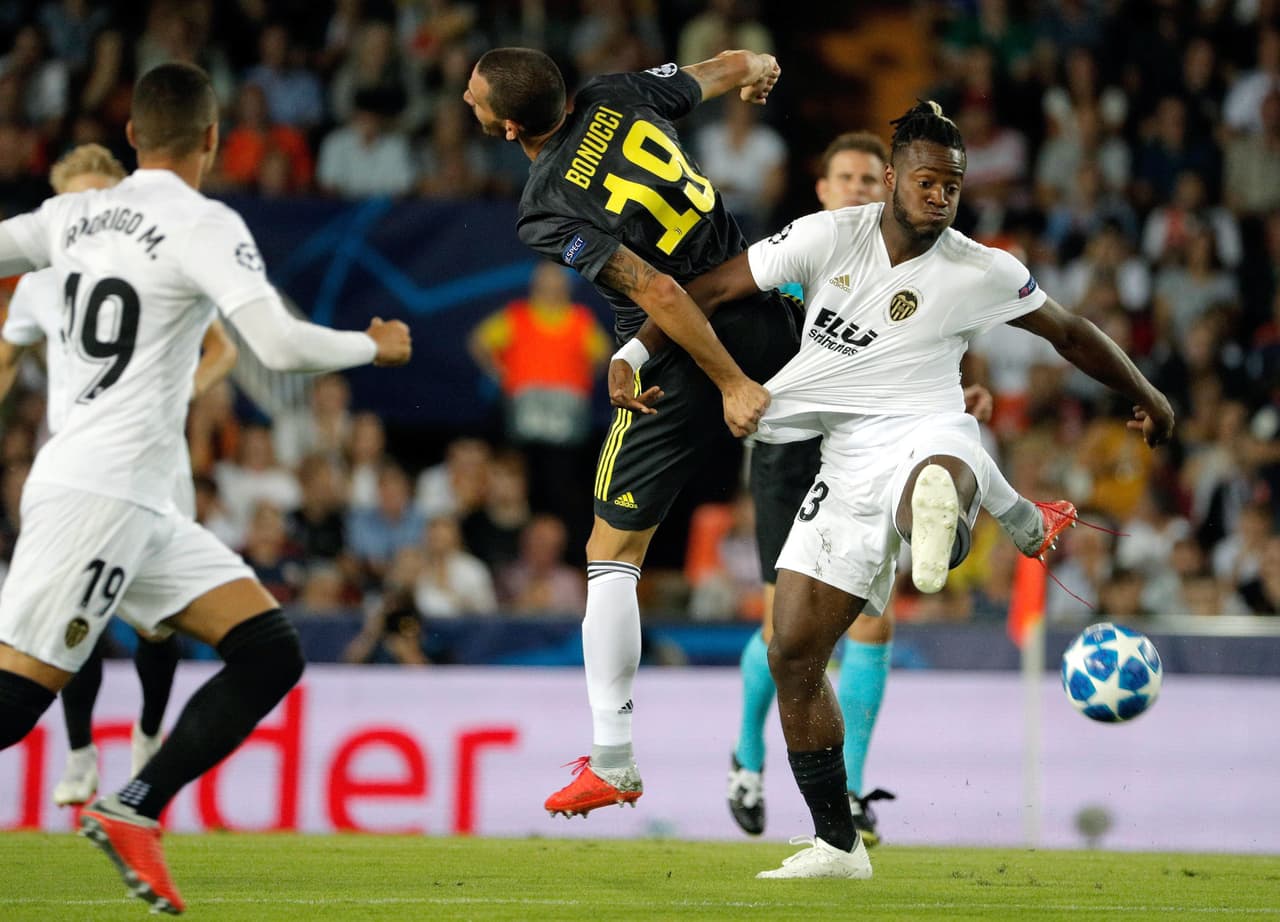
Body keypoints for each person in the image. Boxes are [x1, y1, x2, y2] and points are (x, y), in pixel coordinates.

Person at [628, 100, 1174, 878]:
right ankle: (838, 844)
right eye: (926, 180)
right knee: (792, 652)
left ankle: (945, 527)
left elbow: (1070, 331)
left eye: (952, 185)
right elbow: (708, 290)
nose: (941, 196)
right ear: (891, 180)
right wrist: (635, 355)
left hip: (928, 433)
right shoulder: (828, 236)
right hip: (842, 461)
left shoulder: (981, 267)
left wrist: (1148, 395)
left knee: (937, 477)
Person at [0, 62, 411, 913]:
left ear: (131, 138)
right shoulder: (204, 223)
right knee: (11, 703)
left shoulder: (71, 214)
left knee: (268, 652)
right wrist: (376, 346)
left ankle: (133, 807)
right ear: (214, 139)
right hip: (99, 496)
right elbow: (282, 348)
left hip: (141, 500)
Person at [464, 46, 783, 817]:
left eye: (471, 96)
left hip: (684, 354)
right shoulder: (613, 94)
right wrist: (757, 67)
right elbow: (719, 69)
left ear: (509, 128)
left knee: (612, 551)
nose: (463, 100)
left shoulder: (544, 205)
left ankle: (613, 760)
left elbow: (659, 290)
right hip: (768, 309)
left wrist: (727, 380)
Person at [0, 142, 240, 809]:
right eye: (72, 197)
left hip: (157, 468)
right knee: (74, 619)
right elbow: (6, 359)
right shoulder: (39, 283)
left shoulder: (161, 261)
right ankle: (79, 756)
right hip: (76, 475)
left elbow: (223, 350)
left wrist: (178, 392)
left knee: (159, 625)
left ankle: (147, 735)